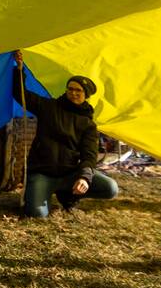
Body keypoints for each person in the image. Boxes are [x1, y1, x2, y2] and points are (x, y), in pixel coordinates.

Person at [12, 50, 118, 218]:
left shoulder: (88, 124)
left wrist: (84, 177)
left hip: (70, 174)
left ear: (86, 95)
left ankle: (68, 194)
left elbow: (89, 155)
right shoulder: (49, 107)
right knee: (37, 215)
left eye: (79, 91)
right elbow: (21, 94)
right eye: (70, 89)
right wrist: (19, 69)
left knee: (110, 188)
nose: (73, 93)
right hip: (43, 173)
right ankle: (35, 193)